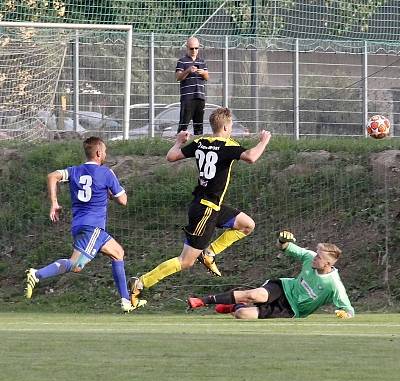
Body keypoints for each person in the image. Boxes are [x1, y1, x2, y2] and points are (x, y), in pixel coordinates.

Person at [128, 107, 271, 308]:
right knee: (185, 261)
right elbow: (251, 157)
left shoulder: (200, 143)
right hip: (206, 211)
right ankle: (141, 282)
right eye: (230, 126)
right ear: (226, 126)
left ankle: (210, 253)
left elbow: (171, 157)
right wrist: (263, 140)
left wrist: (179, 141)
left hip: (211, 206)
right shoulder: (228, 145)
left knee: (247, 225)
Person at [24, 137, 141, 312]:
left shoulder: (74, 171)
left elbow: (52, 176)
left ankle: (126, 302)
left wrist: (54, 203)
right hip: (92, 227)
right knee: (76, 264)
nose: (106, 154)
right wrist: (111, 190)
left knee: (118, 253)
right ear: (99, 153)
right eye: (105, 151)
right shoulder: (107, 173)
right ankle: (37, 274)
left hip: (81, 225)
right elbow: (123, 200)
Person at [187, 230, 354, 320]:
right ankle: (202, 301)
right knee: (254, 294)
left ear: (328, 264)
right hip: (284, 287)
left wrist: (344, 314)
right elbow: (285, 247)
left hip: (291, 310)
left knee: (242, 315)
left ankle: (235, 306)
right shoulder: (309, 257)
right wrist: (282, 240)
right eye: (316, 254)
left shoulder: (334, 285)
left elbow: (349, 310)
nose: (315, 258)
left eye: (319, 257)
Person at [175, 36, 208, 136]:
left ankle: (198, 147)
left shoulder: (202, 62)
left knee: (199, 125)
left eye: (196, 48)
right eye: (191, 48)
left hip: (200, 97)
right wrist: (188, 70)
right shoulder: (182, 61)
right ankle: (178, 147)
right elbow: (178, 77)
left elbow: (207, 77)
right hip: (188, 98)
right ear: (187, 48)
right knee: (183, 125)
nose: (194, 50)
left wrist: (203, 73)